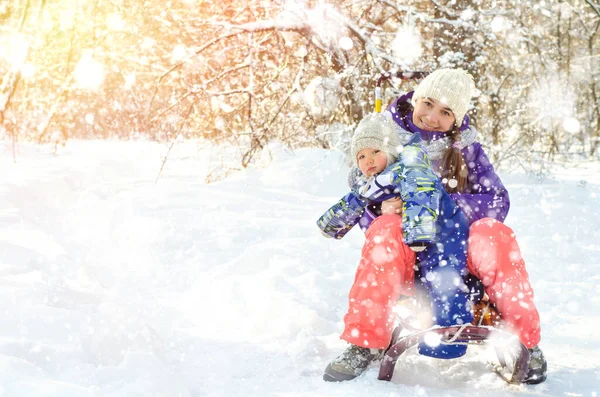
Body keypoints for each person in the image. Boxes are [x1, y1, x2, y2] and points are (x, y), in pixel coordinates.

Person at [378, 68, 546, 384]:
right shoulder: (385, 140)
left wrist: (445, 207)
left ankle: (527, 339)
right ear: (416, 99)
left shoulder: (466, 148)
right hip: (409, 246)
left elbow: (497, 199)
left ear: (456, 119)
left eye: (445, 112)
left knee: (496, 235)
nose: (431, 116)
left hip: (460, 247)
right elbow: (362, 195)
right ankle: (366, 339)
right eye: (427, 103)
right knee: (384, 229)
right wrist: (384, 208)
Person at [317, 113, 473, 382]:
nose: (368, 161)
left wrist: (418, 232)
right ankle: (365, 341)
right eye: (361, 156)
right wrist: (331, 222)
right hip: (408, 249)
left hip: (441, 238)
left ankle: (448, 334)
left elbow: (420, 194)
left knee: (444, 280)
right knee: (382, 244)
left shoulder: (409, 166)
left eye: (375, 152)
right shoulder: (373, 182)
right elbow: (349, 205)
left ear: (390, 151)